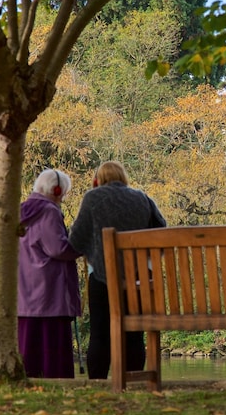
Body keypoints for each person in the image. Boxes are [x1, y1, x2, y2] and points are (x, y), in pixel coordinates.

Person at [68, 161, 166, 379]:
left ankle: (98, 381)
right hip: (138, 280)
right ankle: (133, 379)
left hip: (102, 280)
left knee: (100, 334)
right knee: (134, 333)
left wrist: (92, 248)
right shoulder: (141, 197)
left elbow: (75, 240)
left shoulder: (92, 198)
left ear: (98, 180)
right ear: (123, 178)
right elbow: (161, 231)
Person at [17, 169, 82, 378]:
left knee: (29, 346)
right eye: (63, 193)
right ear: (56, 190)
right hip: (50, 291)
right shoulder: (49, 211)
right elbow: (58, 249)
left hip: (25, 291)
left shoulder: (21, 210)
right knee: (53, 347)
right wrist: (81, 246)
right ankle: (58, 384)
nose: (63, 197)